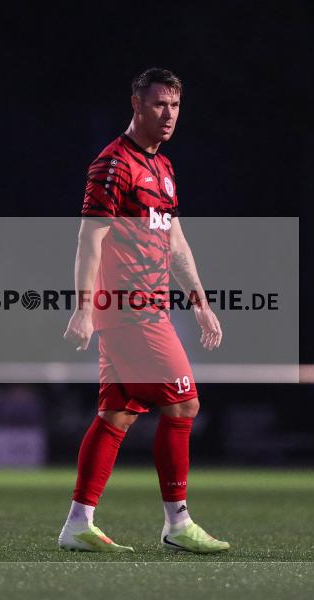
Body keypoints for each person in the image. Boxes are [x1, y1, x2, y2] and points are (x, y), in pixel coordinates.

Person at [58, 67, 230, 554]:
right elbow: (89, 239)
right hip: (132, 311)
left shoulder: (165, 168)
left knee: (116, 415)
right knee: (184, 403)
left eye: (175, 105)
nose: (169, 114)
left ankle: (78, 522)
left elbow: (174, 241)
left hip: (148, 307)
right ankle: (178, 523)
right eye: (159, 104)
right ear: (136, 104)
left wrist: (200, 303)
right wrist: (83, 309)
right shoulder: (113, 165)